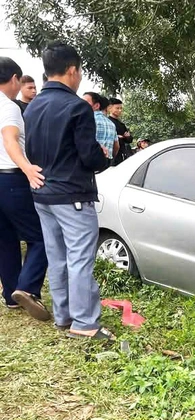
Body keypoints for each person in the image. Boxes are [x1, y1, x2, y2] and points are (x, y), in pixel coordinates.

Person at [24, 41, 114, 339]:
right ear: (72, 70)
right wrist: (103, 155)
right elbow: (89, 157)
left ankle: (63, 316)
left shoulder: (32, 106)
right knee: (79, 259)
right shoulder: (77, 107)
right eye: (79, 72)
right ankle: (85, 323)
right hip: (72, 195)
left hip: (42, 194)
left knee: (57, 255)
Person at [0, 57, 49, 318]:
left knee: (5, 240)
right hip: (11, 179)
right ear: (15, 79)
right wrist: (27, 167)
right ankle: (27, 288)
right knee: (40, 236)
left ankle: (11, 296)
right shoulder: (8, 107)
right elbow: (10, 140)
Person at [82, 92, 118, 165]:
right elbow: (116, 146)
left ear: (97, 105)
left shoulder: (86, 120)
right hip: (107, 164)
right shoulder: (112, 124)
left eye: (85, 102)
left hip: (88, 165)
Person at [108, 97, 132, 166]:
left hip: (122, 156)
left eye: (121, 108)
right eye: (117, 108)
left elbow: (130, 139)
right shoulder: (107, 122)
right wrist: (117, 137)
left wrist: (126, 137)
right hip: (111, 158)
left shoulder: (121, 125)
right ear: (110, 108)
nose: (120, 110)